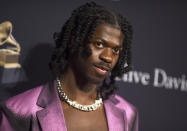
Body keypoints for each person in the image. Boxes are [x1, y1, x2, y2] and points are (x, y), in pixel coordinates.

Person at [0, 2, 138, 131]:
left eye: (116, 50)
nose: (108, 57)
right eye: (99, 44)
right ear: (74, 39)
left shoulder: (128, 113)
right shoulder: (18, 111)